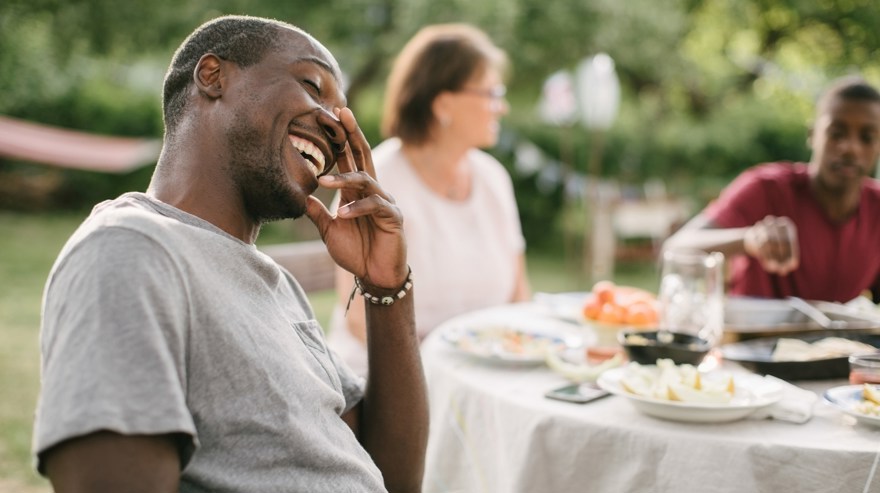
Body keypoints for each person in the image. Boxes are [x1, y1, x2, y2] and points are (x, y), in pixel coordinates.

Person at [32, 15, 428, 492]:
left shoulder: (277, 287)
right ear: (213, 77)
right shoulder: (130, 250)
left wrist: (388, 286)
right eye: (312, 85)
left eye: (344, 110)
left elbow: (391, 477)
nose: (338, 125)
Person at [327, 23, 532, 376]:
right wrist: (447, 374)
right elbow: (359, 320)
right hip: (389, 378)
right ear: (444, 103)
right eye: (492, 93)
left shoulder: (494, 178)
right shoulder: (377, 182)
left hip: (484, 377)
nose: (502, 107)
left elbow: (518, 296)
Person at [662, 75, 880, 303]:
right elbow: (675, 250)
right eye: (836, 133)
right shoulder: (766, 188)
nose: (851, 148)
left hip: (843, 339)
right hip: (753, 336)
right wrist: (748, 240)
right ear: (812, 135)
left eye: (867, 138)